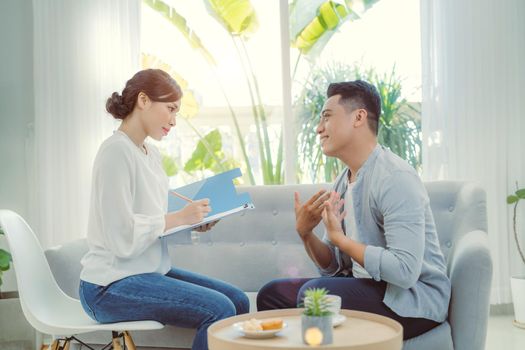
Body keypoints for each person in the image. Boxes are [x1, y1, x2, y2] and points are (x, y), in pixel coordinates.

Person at [257, 80, 451, 340]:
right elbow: (334, 267)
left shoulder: (395, 178)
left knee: (315, 295)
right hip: (368, 288)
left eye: (326, 117)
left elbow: (404, 273)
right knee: (271, 295)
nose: (318, 129)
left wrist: (341, 239)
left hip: (411, 301)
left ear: (359, 117)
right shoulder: (343, 180)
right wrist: (306, 233)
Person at [79, 69, 249, 350]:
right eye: (170, 109)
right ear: (143, 100)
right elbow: (121, 237)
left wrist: (191, 222)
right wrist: (178, 217)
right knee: (220, 309)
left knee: (239, 301)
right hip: (107, 287)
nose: (173, 120)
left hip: (145, 271)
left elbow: (155, 218)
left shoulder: (150, 154)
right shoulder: (115, 152)